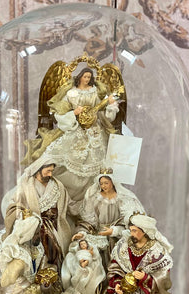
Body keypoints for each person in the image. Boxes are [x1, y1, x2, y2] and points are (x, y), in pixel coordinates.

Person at [23, 68, 121, 201]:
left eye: (89, 77)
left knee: (95, 163)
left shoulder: (95, 92)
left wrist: (111, 106)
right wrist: (74, 113)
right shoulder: (71, 93)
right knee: (60, 157)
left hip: (95, 131)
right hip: (75, 129)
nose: (87, 79)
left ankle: (92, 197)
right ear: (80, 77)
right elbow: (60, 115)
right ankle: (55, 192)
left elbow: (105, 115)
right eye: (85, 77)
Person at [3, 158, 76, 270]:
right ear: (38, 170)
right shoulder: (26, 186)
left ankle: (53, 271)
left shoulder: (58, 186)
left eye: (52, 171)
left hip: (54, 225)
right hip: (34, 225)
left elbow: (70, 205)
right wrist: (23, 215)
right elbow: (15, 204)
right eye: (48, 171)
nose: (50, 174)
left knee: (55, 247)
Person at [74, 170, 145, 266]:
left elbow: (127, 220)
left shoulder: (122, 198)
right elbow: (89, 219)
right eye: (101, 183)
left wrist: (114, 230)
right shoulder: (95, 198)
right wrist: (84, 232)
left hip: (115, 234)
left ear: (112, 182)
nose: (103, 186)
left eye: (106, 183)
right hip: (99, 232)